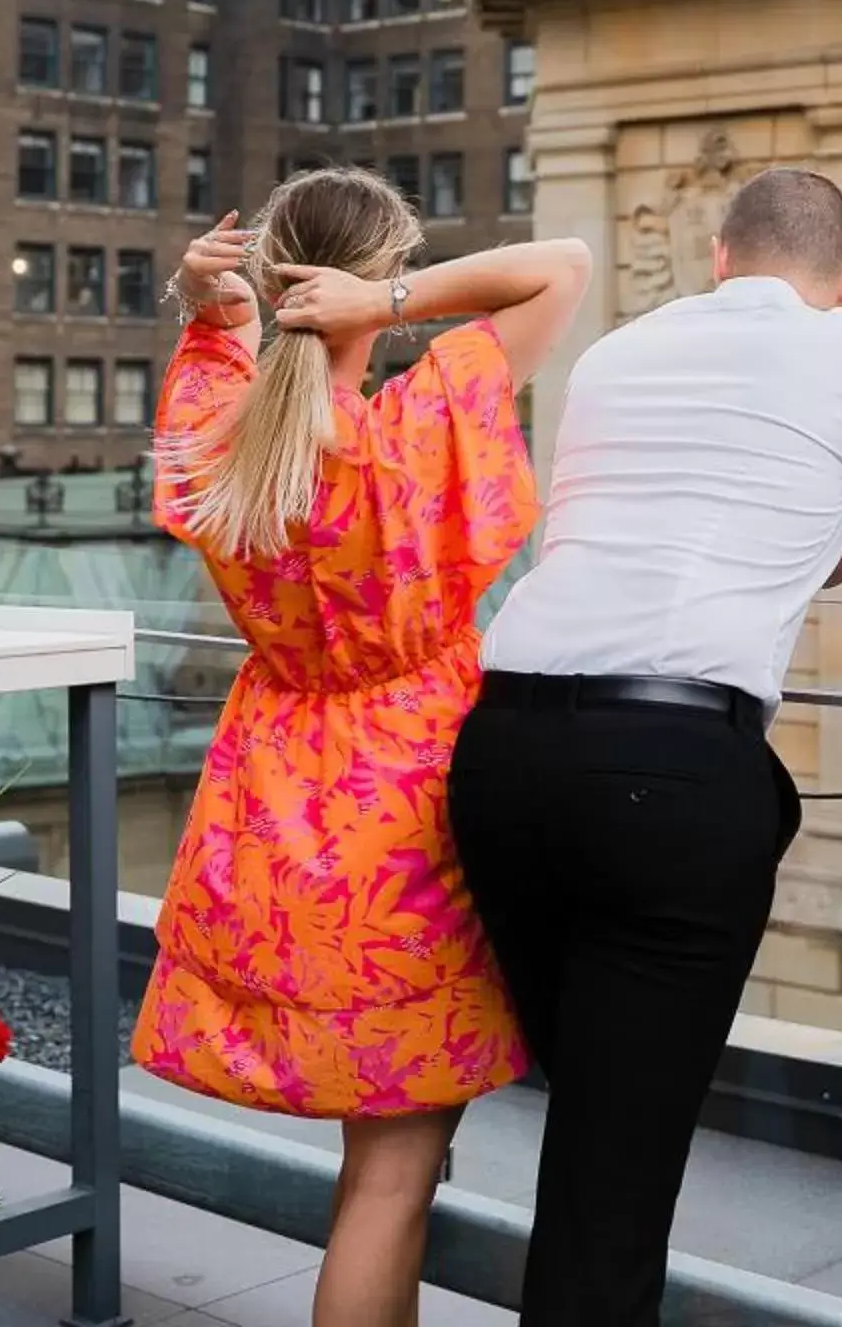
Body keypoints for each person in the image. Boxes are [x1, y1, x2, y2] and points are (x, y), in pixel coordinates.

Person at [447, 165, 842, 1327]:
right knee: (615, 1175)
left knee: (597, 1127)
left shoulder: (615, 354)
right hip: (667, 781)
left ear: (718, 255)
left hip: (500, 756)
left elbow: (642, 535)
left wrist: (813, 535)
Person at [131, 165, 592, 1327]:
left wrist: (209, 304)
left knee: (375, 1170)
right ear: (371, 284)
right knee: (391, 1177)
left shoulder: (226, 435)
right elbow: (565, 266)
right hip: (413, 811)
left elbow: (218, 357)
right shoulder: (414, 428)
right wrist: (387, 307)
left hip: (275, 796)